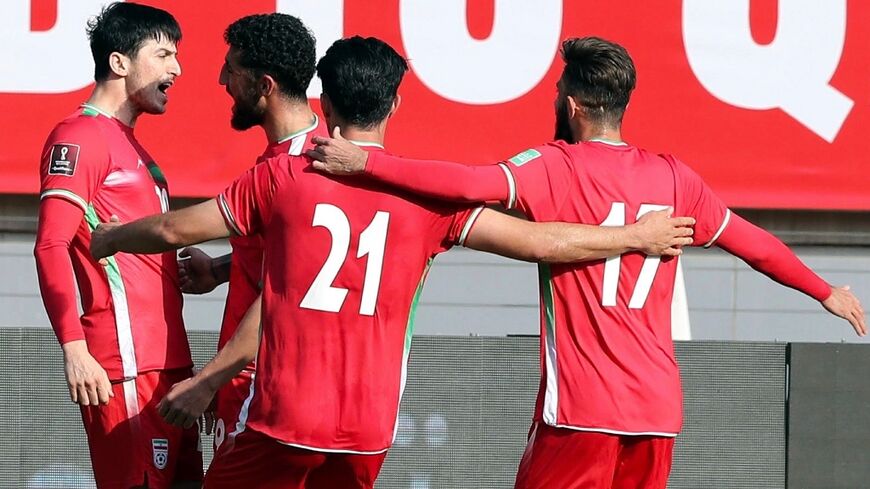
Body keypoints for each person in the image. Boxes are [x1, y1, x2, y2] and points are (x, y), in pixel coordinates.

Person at [89, 36, 693, 488]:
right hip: (366, 432)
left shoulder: (283, 176)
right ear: (396, 103)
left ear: (323, 102)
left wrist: (109, 237)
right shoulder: (427, 204)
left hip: (283, 419)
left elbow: (173, 228)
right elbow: (544, 244)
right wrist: (633, 236)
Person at [307, 36, 866, 488]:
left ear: (570, 105)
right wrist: (825, 293)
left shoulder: (553, 166)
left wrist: (369, 165)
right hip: (657, 415)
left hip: (580, 410)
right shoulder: (676, 177)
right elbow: (754, 244)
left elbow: (467, 182)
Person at [32, 3, 201, 488]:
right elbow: (50, 246)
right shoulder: (79, 135)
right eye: (164, 54)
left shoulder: (135, 146)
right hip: (123, 365)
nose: (177, 69)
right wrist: (75, 349)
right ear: (119, 62)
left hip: (171, 368)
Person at [153, 13, 327, 458]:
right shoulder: (304, 155)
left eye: (231, 69)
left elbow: (283, 292)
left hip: (265, 392)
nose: (220, 79)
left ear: (264, 86)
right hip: (260, 389)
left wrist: (209, 379)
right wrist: (221, 268)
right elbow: (298, 261)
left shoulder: (297, 170)